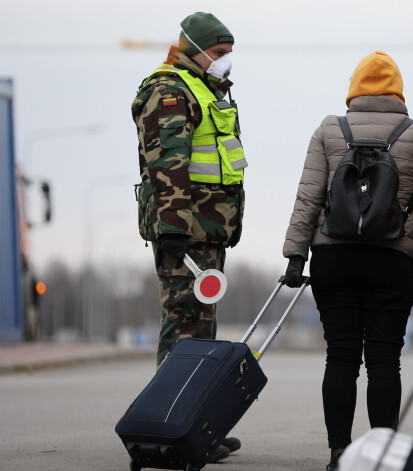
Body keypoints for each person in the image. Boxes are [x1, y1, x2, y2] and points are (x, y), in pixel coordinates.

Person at [282, 51, 413, 471]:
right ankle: (381, 458)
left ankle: (339, 453)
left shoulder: (329, 129)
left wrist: (295, 255)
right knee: (383, 359)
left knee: (339, 356)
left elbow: (308, 195)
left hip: (332, 256)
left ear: (354, 90)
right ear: (398, 91)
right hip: (391, 260)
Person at [131, 11, 246, 461]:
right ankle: (166, 431)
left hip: (207, 232)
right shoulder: (169, 92)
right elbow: (168, 167)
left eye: (228, 54)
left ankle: (194, 427)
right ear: (193, 49)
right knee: (184, 329)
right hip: (185, 234)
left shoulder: (205, 90)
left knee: (199, 330)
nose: (226, 62)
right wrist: (175, 229)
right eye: (219, 53)